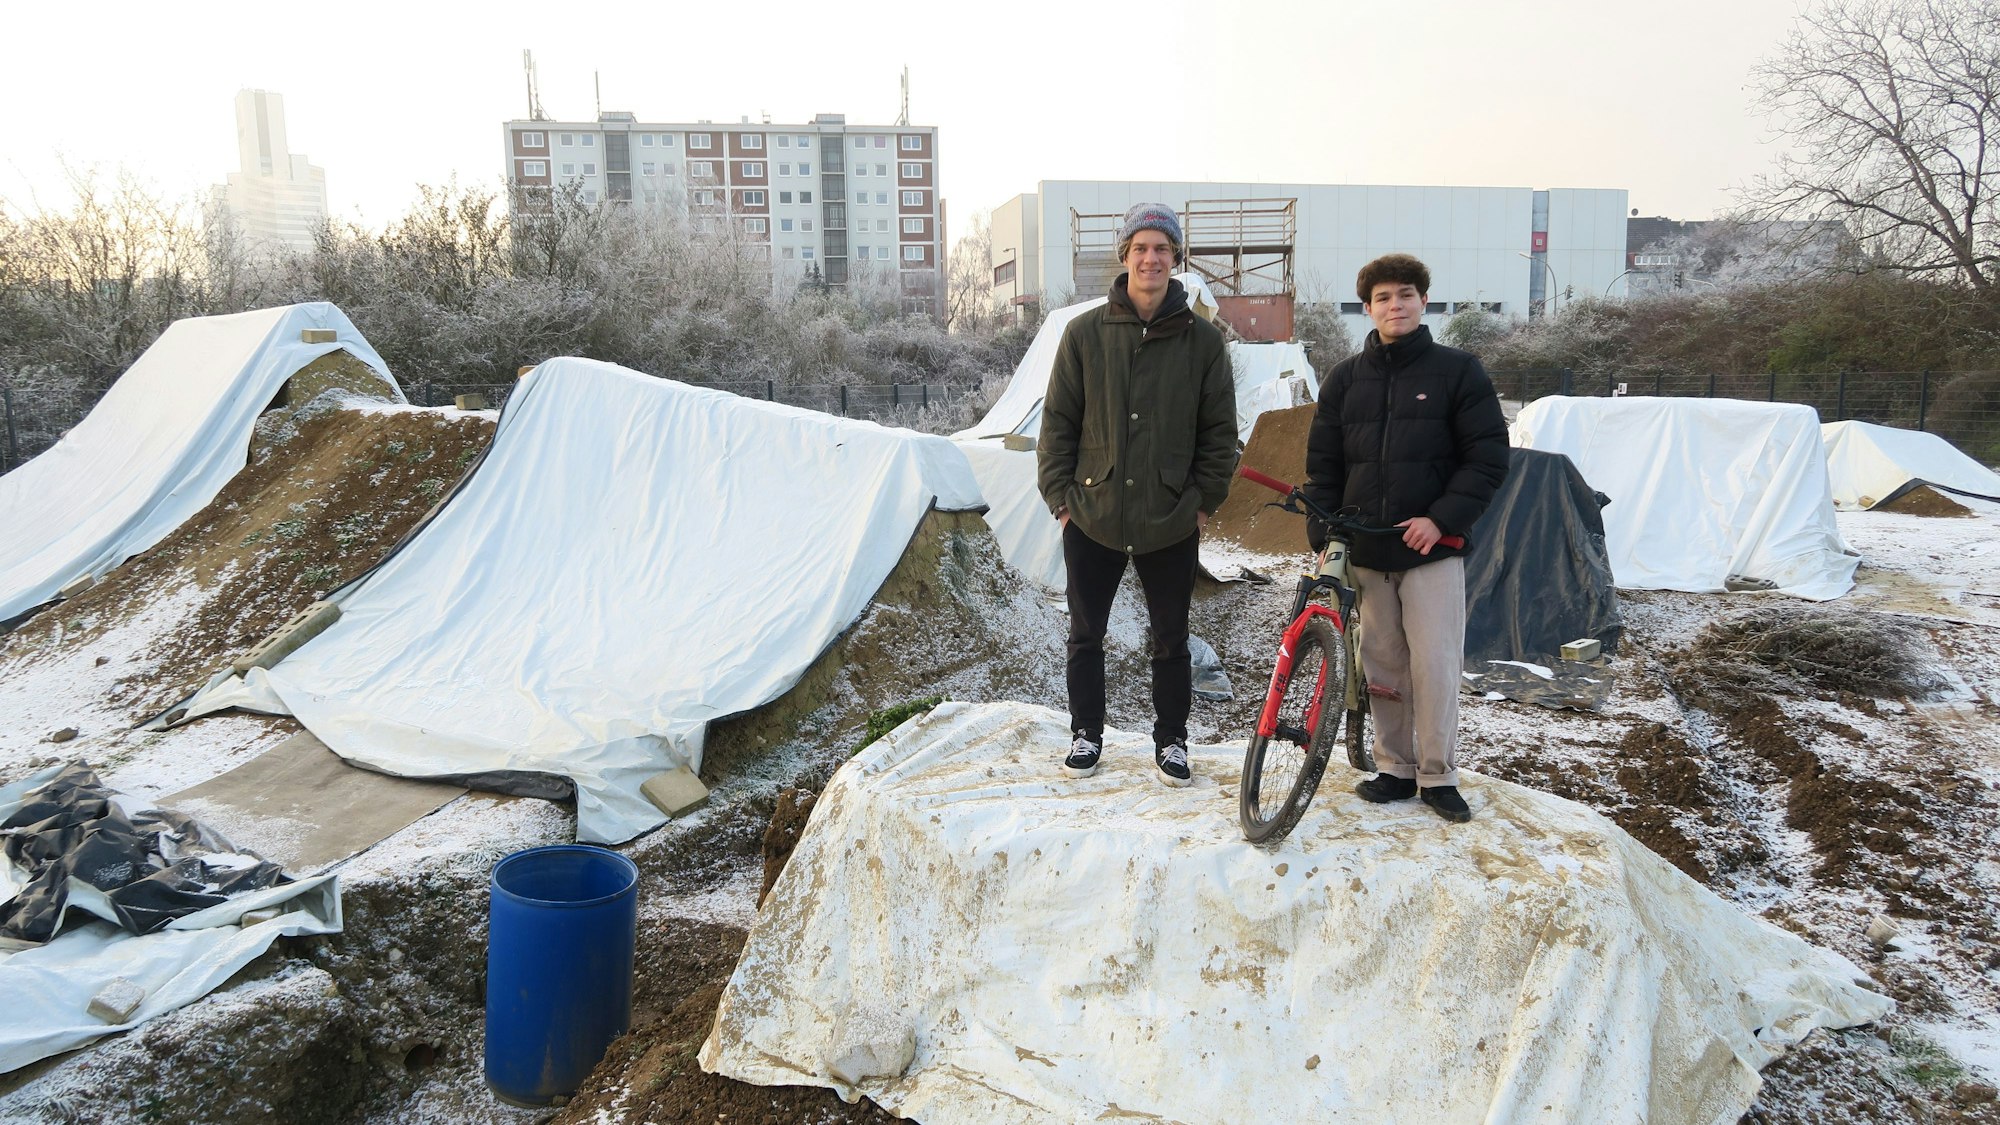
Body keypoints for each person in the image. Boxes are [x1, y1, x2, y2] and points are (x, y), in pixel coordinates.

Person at [1302, 253, 1509, 823]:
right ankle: (1395, 767)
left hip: (1430, 552)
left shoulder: (1459, 372)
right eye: (1384, 298)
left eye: (1406, 295)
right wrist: (1325, 530)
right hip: (1368, 551)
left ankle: (1438, 775)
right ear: (1368, 308)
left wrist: (1440, 520)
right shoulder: (1344, 380)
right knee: (1383, 665)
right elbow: (1324, 467)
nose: (1396, 305)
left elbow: (1488, 458)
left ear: (1423, 301)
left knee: (1435, 665)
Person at [1038, 203, 1237, 787]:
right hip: (1092, 512)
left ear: (1175, 258)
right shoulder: (1084, 334)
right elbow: (1058, 425)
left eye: (1162, 249)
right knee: (1085, 633)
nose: (1152, 259)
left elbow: (1220, 434)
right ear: (1124, 256)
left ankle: (1172, 739)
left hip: (1170, 515)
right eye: (1141, 248)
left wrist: (1202, 502)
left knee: (1171, 638)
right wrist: (1062, 501)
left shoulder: (1204, 342)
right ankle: (1086, 732)